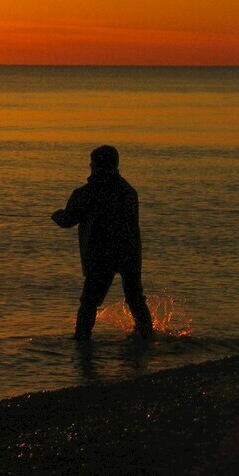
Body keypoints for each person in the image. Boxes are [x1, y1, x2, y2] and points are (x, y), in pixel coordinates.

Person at [52, 145, 153, 340]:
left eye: (92, 163)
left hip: (100, 254)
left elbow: (69, 220)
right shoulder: (129, 191)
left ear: (96, 166)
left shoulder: (86, 193)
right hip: (129, 253)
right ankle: (147, 336)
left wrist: (56, 215)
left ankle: (82, 341)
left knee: (89, 302)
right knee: (135, 298)